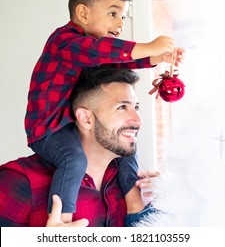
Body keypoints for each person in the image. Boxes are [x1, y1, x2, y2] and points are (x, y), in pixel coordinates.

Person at [24, 0, 185, 223]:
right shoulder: (64, 41)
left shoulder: (95, 51)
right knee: (73, 158)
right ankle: (61, 221)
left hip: (70, 122)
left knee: (125, 146)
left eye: (123, 16)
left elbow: (115, 57)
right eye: (113, 14)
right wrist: (148, 46)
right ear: (84, 13)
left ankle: (134, 204)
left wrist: (156, 59)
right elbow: (100, 52)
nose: (120, 23)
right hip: (48, 128)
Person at [0, 66, 159, 227]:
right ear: (86, 119)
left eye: (136, 107)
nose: (138, 121)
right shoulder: (20, 181)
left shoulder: (137, 188)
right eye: (122, 107)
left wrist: (168, 204)